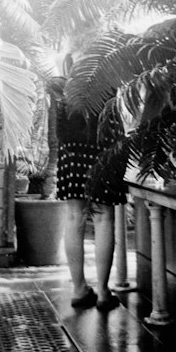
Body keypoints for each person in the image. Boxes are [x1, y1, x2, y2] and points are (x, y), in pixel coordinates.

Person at [48, 76, 126, 312]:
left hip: (72, 149)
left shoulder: (66, 80)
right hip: (103, 146)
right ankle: (103, 291)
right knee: (104, 217)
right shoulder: (109, 66)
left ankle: (79, 289)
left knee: (74, 217)